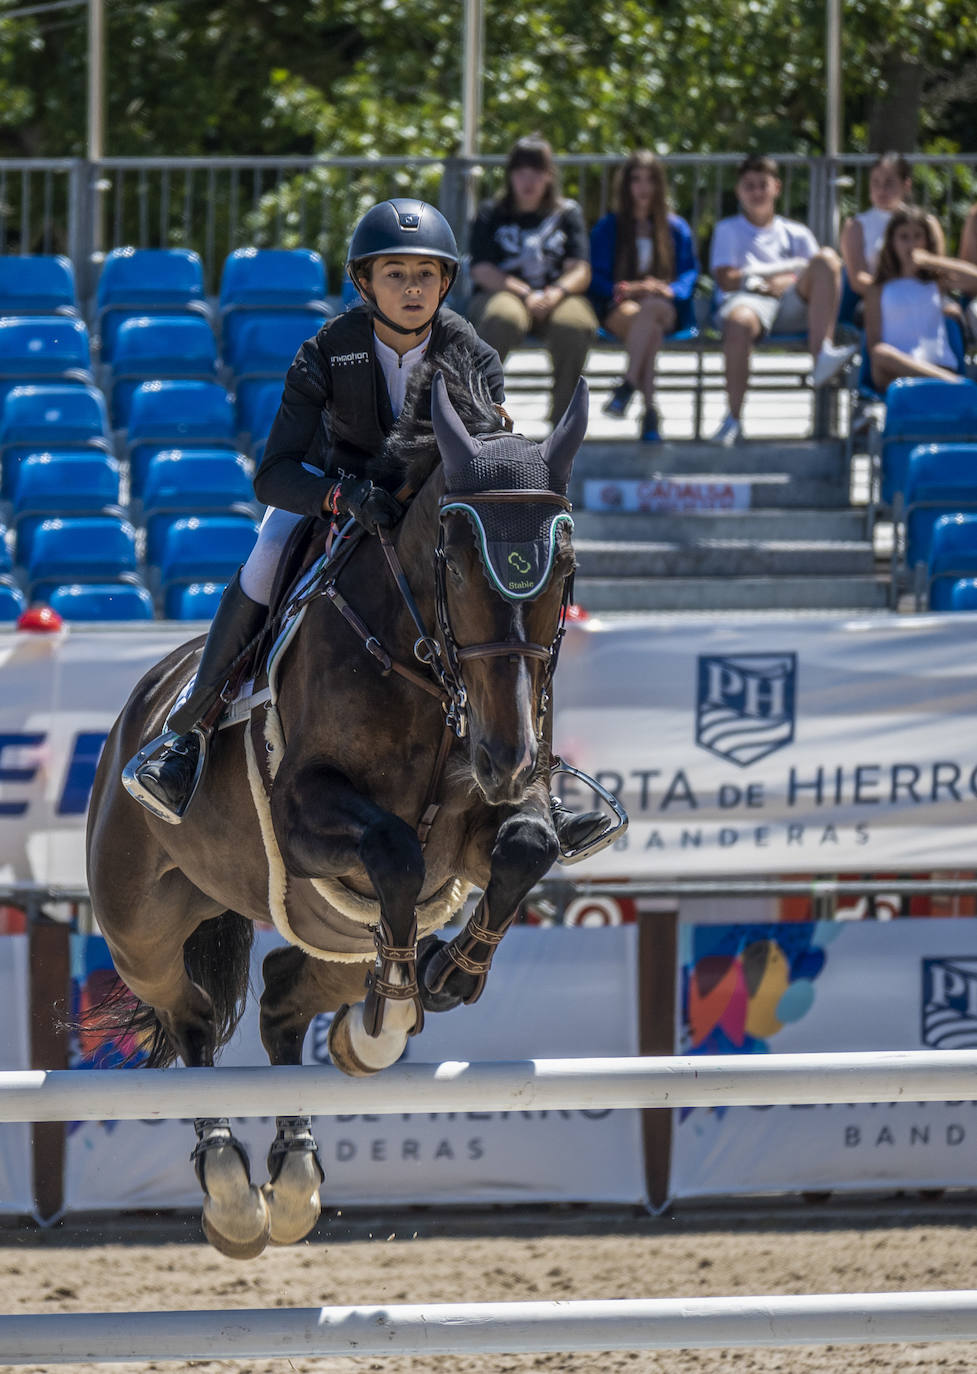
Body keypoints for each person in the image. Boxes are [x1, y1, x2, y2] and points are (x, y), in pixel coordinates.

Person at [131, 197, 609, 854]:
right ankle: (187, 735)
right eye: (395, 274)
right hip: (336, 501)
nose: (411, 289)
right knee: (264, 561)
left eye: (425, 275)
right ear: (365, 282)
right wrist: (341, 497)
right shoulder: (328, 351)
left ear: (444, 283)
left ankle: (539, 785)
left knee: (506, 613)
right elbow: (272, 474)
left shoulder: (469, 352)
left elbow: (486, 451)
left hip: (432, 519)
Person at [708, 153, 856, 446]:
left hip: (792, 303)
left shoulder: (796, 231)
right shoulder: (727, 228)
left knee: (828, 258)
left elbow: (817, 271)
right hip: (748, 302)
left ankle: (821, 354)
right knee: (737, 323)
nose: (756, 192)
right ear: (738, 191)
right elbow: (726, 278)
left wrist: (781, 280)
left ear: (776, 187)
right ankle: (733, 419)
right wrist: (770, 277)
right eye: (748, 186)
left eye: (762, 185)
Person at [467, 134, 597, 424]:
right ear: (510, 176)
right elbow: (481, 269)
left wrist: (556, 293)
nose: (528, 181)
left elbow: (581, 269)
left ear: (549, 176)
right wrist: (526, 293)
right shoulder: (491, 213)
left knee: (575, 325)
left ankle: (564, 422)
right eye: (521, 172)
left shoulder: (567, 213)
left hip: (558, 295)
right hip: (504, 293)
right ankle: (481, 413)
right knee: (502, 320)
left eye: (536, 173)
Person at [589, 150, 699, 443]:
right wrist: (628, 289)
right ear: (625, 185)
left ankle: (627, 387)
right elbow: (596, 276)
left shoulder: (675, 228)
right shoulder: (609, 227)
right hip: (622, 305)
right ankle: (650, 411)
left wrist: (667, 290)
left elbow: (689, 274)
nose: (643, 187)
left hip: (664, 305)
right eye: (636, 180)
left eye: (650, 180)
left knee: (650, 312)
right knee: (646, 329)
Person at [864, 203, 977, 392]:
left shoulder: (936, 282)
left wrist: (931, 261)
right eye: (904, 237)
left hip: (935, 363)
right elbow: (873, 343)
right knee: (880, 353)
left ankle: (949, 383)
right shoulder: (877, 288)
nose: (911, 244)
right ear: (892, 242)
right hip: (893, 372)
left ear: (926, 240)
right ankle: (958, 386)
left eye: (917, 237)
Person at [840, 152, 946, 304]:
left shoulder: (928, 222)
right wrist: (897, 296)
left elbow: (939, 271)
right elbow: (858, 279)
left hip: (924, 298)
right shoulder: (855, 226)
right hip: (877, 301)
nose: (881, 190)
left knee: (952, 318)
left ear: (906, 185)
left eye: (889, 183)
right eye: (875, 182)